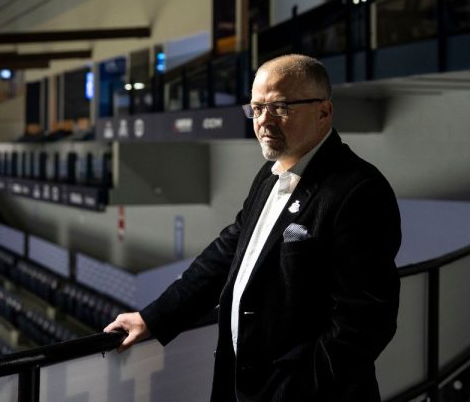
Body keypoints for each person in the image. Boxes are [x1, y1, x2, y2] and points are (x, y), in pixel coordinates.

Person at [104, 53, 401, 402]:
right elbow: (227, 253)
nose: (263, 121)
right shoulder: (269, 176)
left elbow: (365, 323)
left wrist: (292, 392)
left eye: (280, 107)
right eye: (256, 109)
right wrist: (153, 318)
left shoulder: (358, 190)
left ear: (324, 111)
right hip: (243, 387)